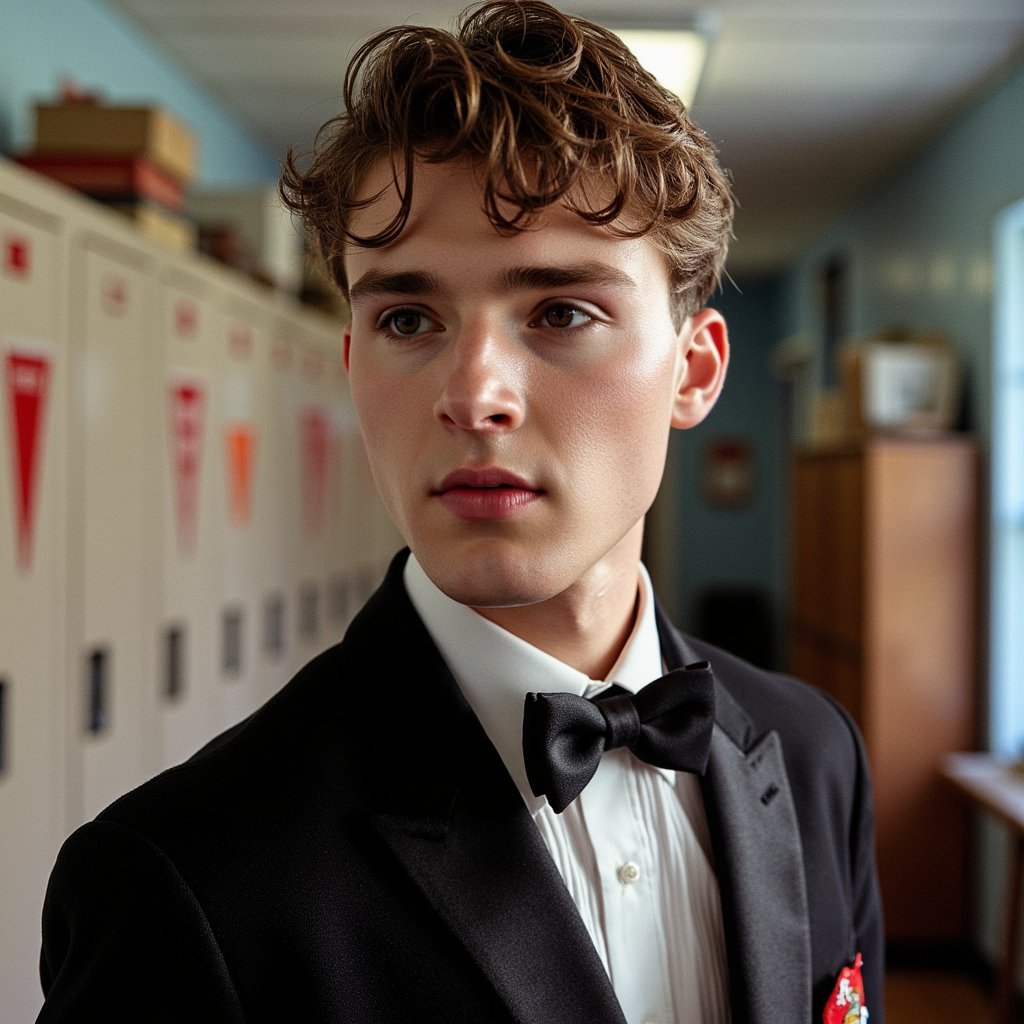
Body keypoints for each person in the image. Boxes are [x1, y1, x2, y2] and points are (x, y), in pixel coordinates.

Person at [36, 2, 884, 1022]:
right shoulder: (185, 876)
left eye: (561, 311)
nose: (472, 392)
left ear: (693, 371)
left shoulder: (814, 754)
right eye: (407, 317)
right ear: (351, 363)